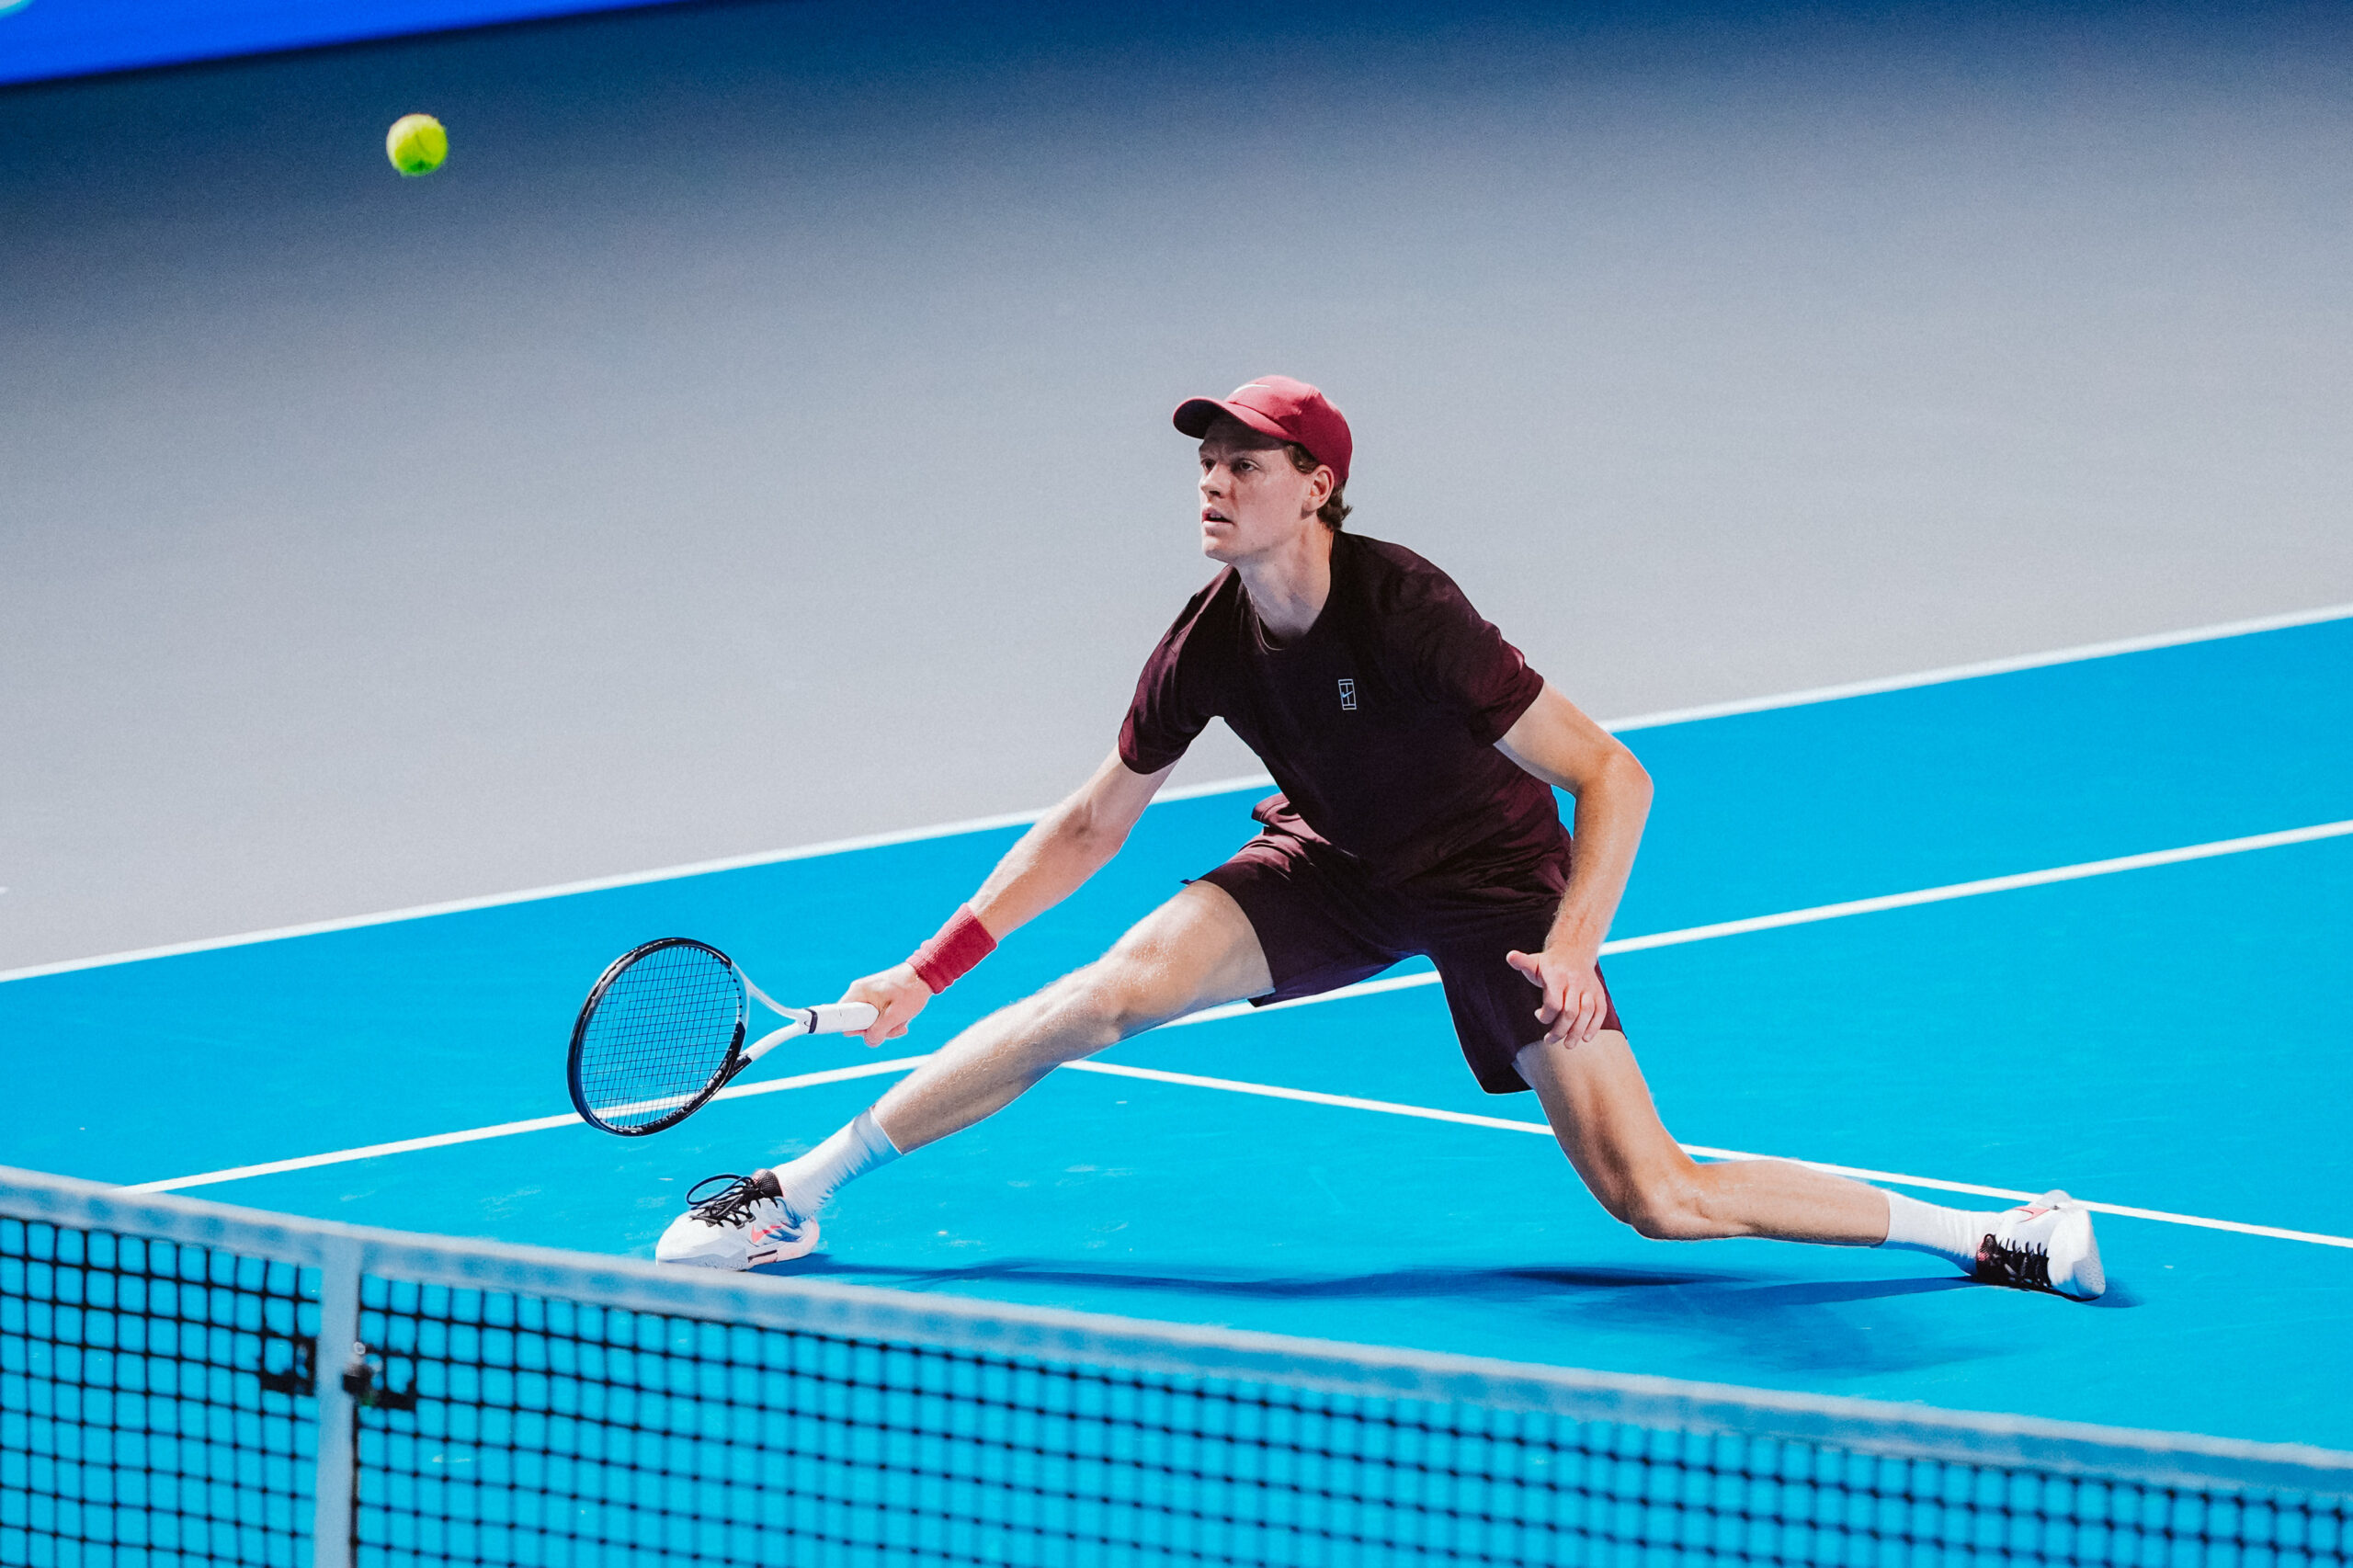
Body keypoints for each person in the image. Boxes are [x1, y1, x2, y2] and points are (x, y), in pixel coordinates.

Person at [656, 375, 2105, 1301]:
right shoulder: (1210, 640)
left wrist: (1574, 946)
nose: (1213, 480)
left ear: (1318, 486)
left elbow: (1614, 776)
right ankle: (796, 1192)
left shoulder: (1408, 608)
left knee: (1657, 1197)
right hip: (1337, 862)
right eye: (1206, 460)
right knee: (1103, 993)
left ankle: (1998, 1233)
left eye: (1246, 461)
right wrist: (926, 970)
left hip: (1493, 889)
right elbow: (1093, 820)